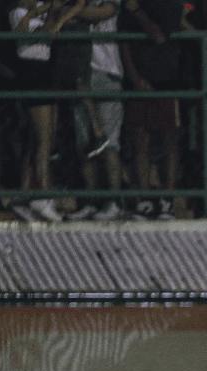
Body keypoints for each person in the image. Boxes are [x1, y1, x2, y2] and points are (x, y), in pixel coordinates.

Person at [11, 0, 83, 222]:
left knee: (43, 139)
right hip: (32, 71)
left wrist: (55, 14)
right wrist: (44, 11)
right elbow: (41, 32)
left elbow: (72, 11)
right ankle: (42, 195)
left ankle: (23, 197)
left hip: (46, 69)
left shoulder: (35, 12)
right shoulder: (18, 13)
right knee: (43, 139)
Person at [119, 0, 184, 220]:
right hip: (139, 80)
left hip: (167, 79)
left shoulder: (170, 5)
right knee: (140, 139)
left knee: (169, 141)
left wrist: (136, 10)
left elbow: (158, 35)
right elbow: (124, 40)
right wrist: (134, 76)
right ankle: (143, 200)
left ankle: (167, 201)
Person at [65, 0, 125, 221]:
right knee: (85, 143)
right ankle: (90, 202)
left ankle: (113, 202)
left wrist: (73, 11)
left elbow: (103, 12)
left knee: (110, 143)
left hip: (107, 73)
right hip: (79, 73)